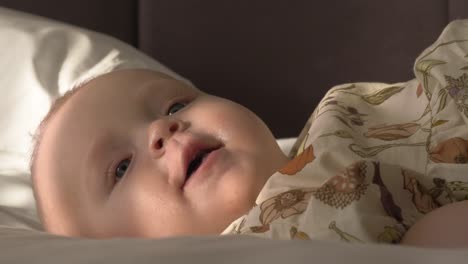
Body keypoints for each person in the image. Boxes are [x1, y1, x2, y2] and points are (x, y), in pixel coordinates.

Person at [30, 20, 468, 247]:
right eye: (121, 167)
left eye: (176, 105)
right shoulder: (269, 244)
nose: (164, 130)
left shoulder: (341, 121)